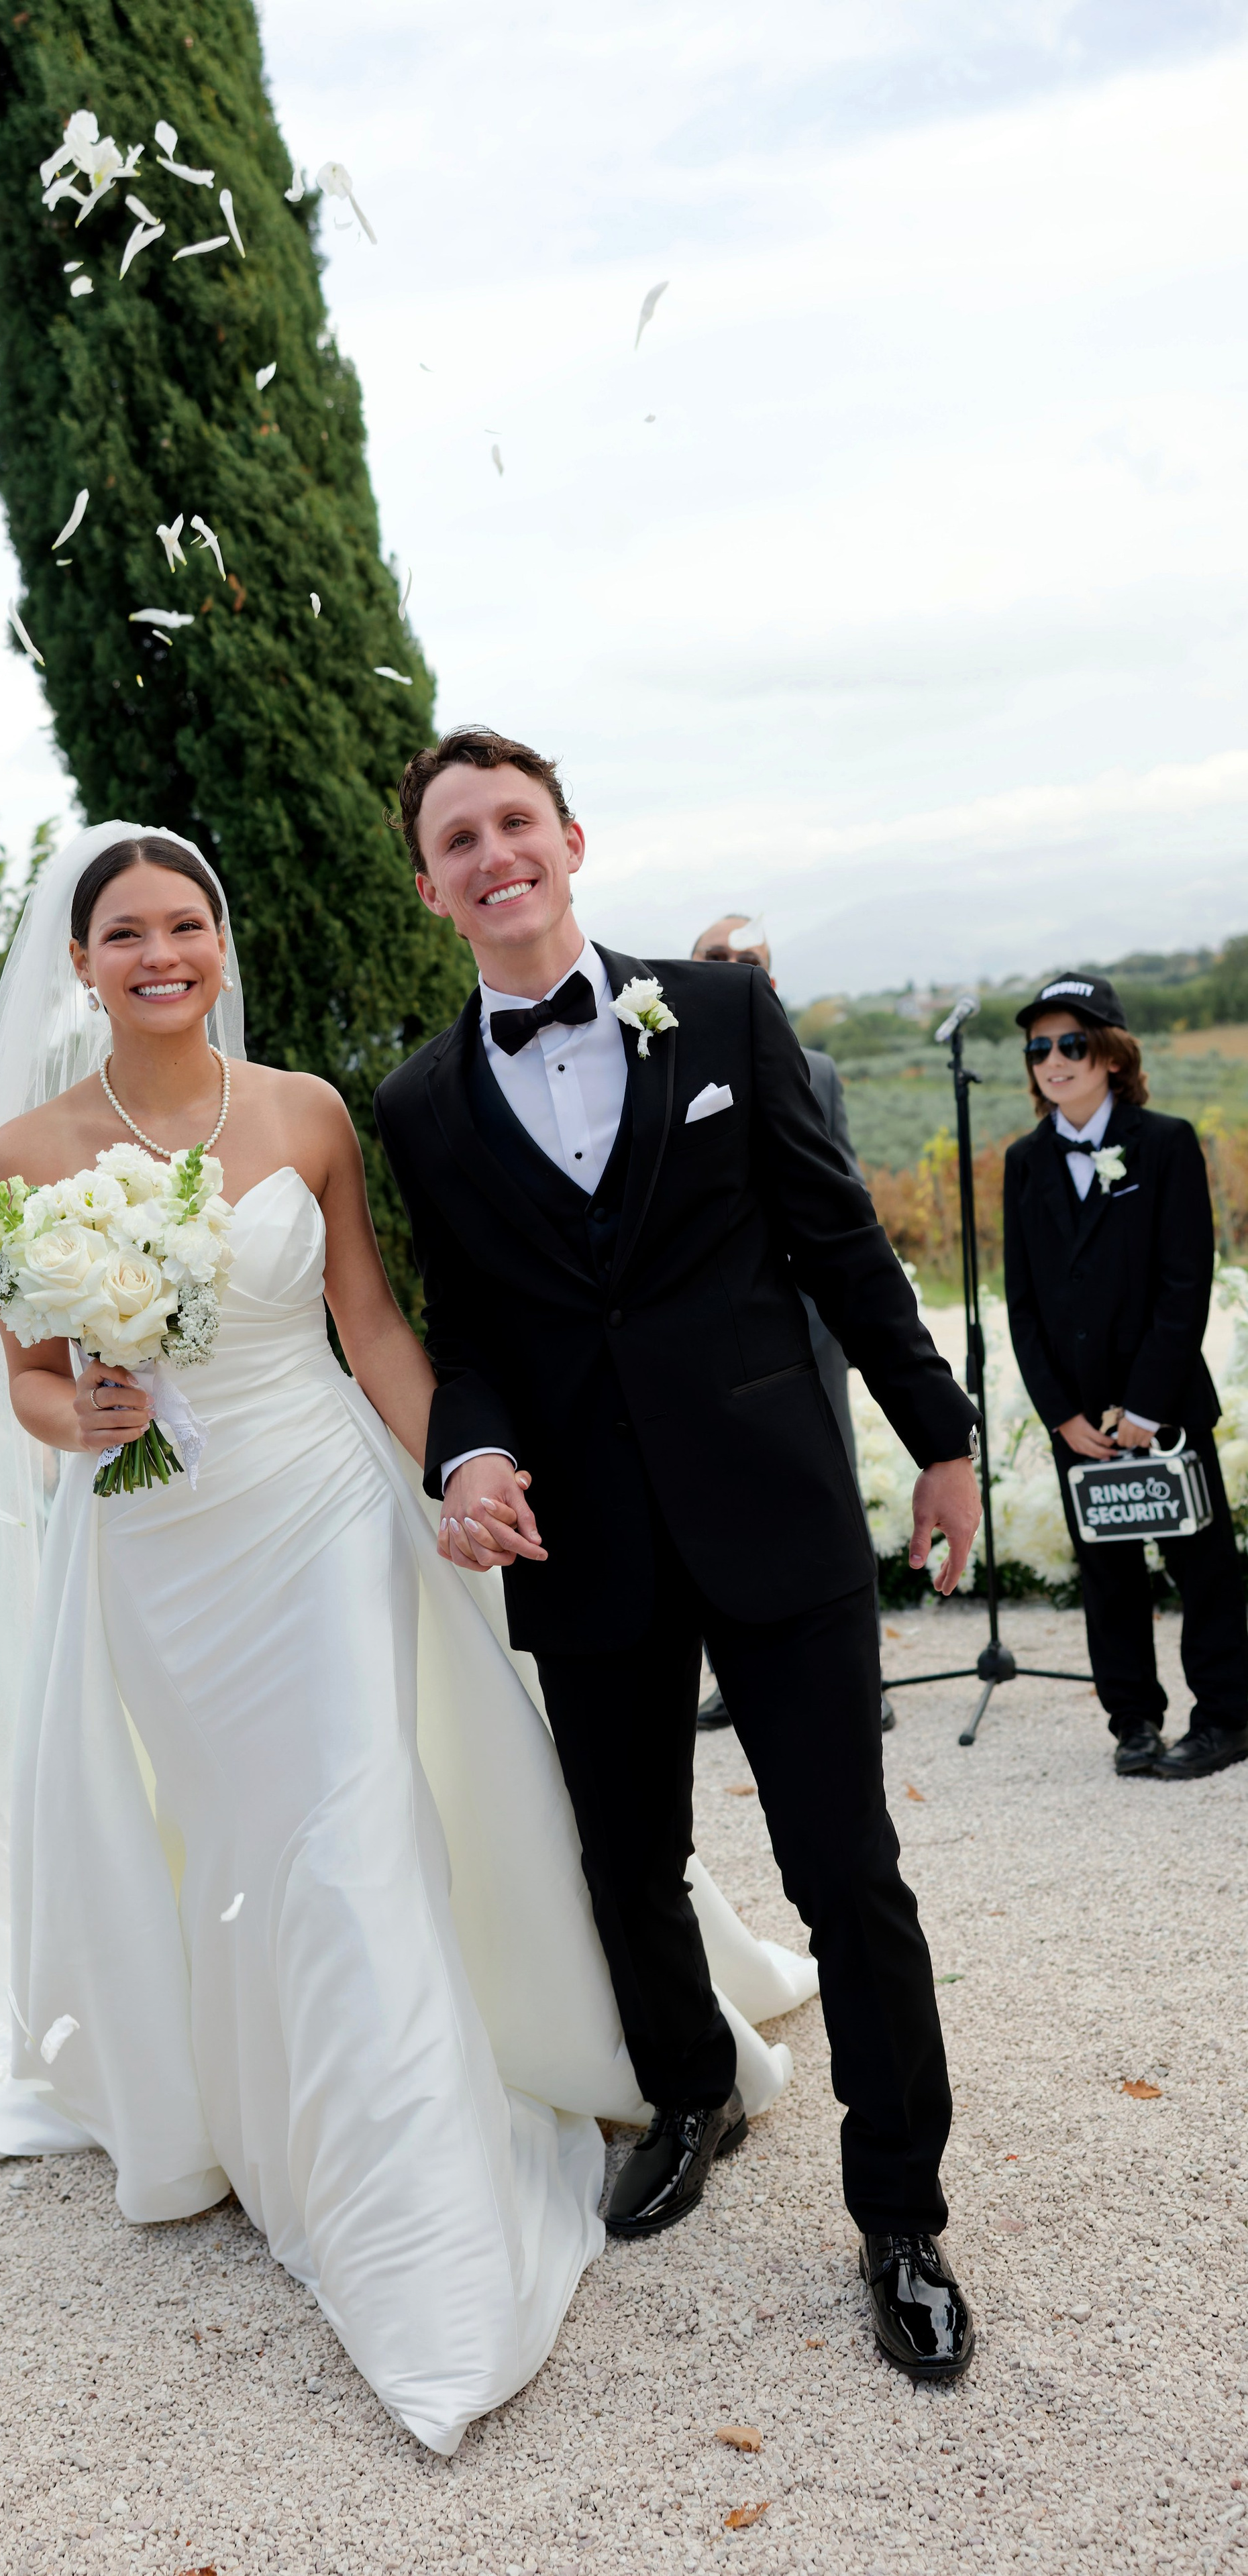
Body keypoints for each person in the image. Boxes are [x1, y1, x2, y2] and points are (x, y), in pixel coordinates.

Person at [0, 822, 823, 2458]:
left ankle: (414, 2231)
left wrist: (456, 1470)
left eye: (185, 920)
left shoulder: (308, 1114)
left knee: (347, 1828)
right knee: (245, 1844)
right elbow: (29, 1379)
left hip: (322, 1510)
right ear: (80, 961)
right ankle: (268, 2109)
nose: (160, 952)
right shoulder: (30, 1152)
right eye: (124, 931)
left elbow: (374, 1322)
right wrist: (83, 1404)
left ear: (216, 938)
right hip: (158, 1541)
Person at [374, 729, 984, 2383]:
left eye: (515, 821)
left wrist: (940, 1441)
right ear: (430, 887)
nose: (493, 852)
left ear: (568, 839)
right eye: (457, 838)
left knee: (845, 1867)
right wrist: (465, 1441)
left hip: (771, 1510)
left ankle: (898, 2214)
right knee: (620, 1858)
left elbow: (833, 1233)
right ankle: (686, 2095)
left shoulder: (713, 1014)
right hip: (585, 1537)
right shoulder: (418, 1104)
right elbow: (467, 1326)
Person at [1003, 971, 1247, 1782]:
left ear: (1109, 1054)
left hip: (1162, 1408)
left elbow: (1186, 1283)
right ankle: (1133, 1720)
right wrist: (1061, 1415)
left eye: (1071, 1043)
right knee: (1108, 1576)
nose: (1053, 1060)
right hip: (1080, 1422)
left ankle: (1225, 1715)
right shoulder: (1025, 1162)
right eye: (1039, 1048)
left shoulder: (1166, 1143)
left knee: (1200, 1568)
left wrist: (1142, 1406)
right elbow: (1024, 1305)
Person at [688, 915, 894, 1735]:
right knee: (714, 1509)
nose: (735, 971)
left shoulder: (817, 1070)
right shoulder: (658, 1069)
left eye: (752, 963)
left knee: (832, 1499)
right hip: (706, 1341)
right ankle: (734, 1679)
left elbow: (843, 1205)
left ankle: (861, 1679)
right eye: (718, 960)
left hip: (806, 1335)